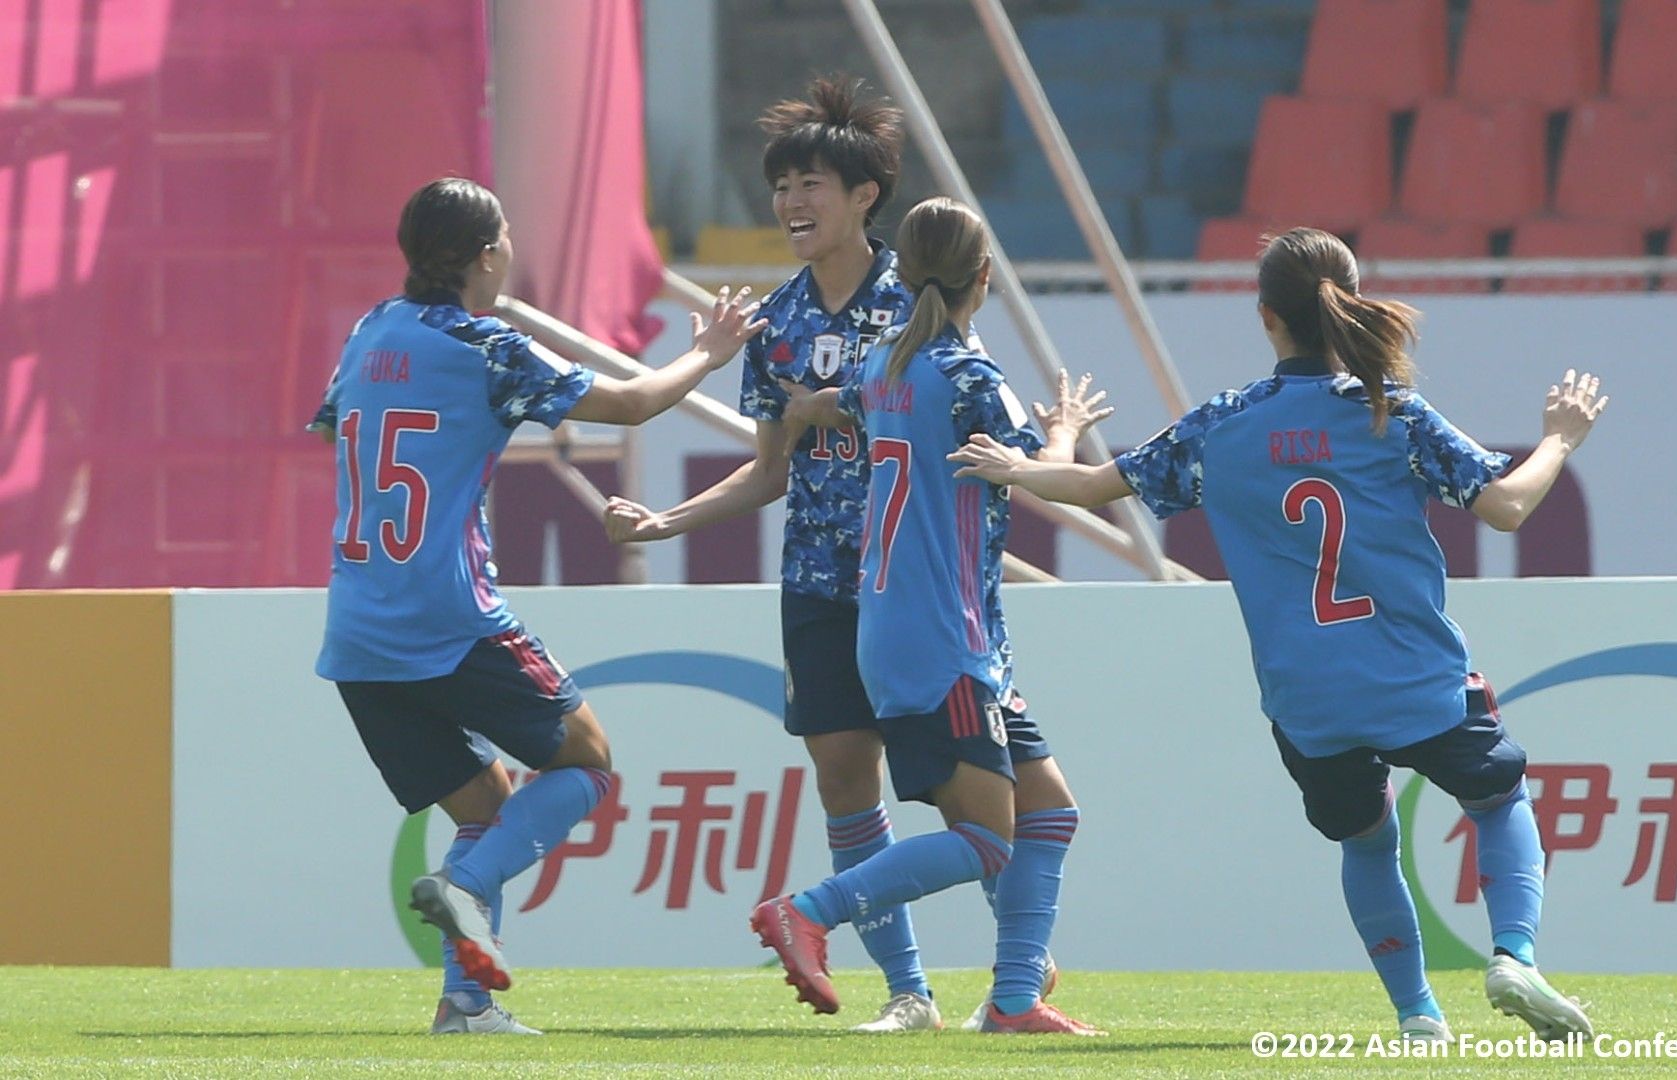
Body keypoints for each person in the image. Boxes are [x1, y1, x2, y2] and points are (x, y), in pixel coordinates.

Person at [948, 227, 1607, 1044]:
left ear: (1265, 315)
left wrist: (1017, 465)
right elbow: (1505, 506)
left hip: (1307, 697)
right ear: (1350, 303)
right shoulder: (1390, 412)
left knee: (1367, 843)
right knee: (1498, 798)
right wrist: (1560, 437)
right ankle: (1514, 956)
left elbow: (1088, 486)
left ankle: (1418, 1017)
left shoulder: (1224, 424)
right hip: (1414, 675)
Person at [310, 176, 764, 1035]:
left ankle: (465, 1005)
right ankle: (465, 887)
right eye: (508, 237)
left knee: (486, 808)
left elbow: (338, 427)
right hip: (449, 616)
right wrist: (710, 351)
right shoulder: (486, 347)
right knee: (588, 758)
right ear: (487, 255)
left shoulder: (372, 330)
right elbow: (632, 404)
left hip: (359, 630)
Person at [602, 75, 948, 1033]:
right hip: (818, 583)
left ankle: (1021, 978)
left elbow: (953, 420)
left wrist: (846, 407)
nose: (791, 201)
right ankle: (909, 992)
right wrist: (664, 522)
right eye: (782, 185)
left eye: (811, 184)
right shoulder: (778, 324)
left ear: (865, 196)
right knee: (843, 777)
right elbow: (767, 473)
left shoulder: (920, 305)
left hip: (918, 579)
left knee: (971, 791)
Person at [749, 196, 1108, 1036]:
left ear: (903, 275)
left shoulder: (886, 366)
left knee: (1050, 812)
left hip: (916, 627)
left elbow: (840, 406)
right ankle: (806, 910)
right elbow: (1046, 477)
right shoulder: (971, 377)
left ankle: (1014, 1001)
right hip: (942, 635)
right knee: (988, 839)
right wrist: (1064, 429)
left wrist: (803, 406)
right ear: (984, 276)